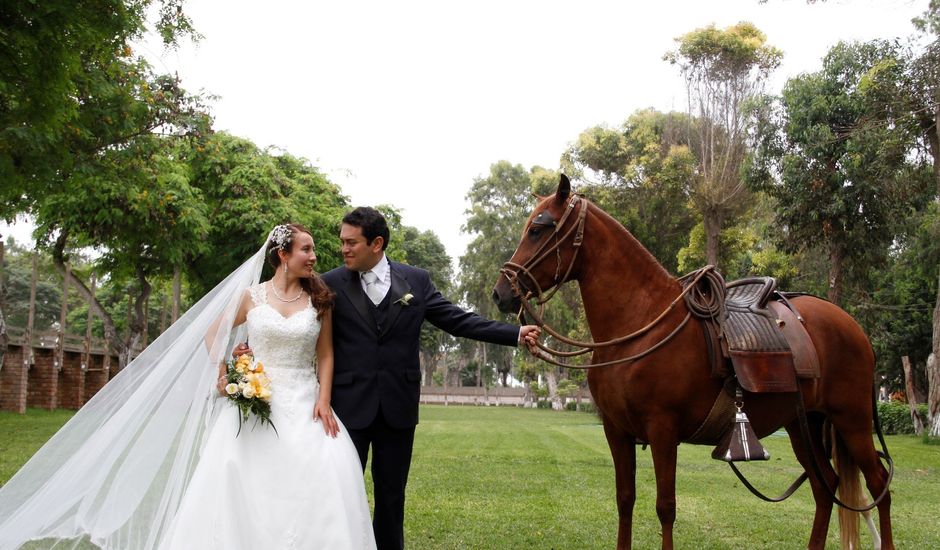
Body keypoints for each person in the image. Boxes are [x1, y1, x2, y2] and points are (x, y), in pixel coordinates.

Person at [0, 224, 376, 550]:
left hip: (306, 399)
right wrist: (228, 371)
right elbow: (213, 334)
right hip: (258, 398)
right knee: (242, 481)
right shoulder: (251, 297)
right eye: (306, 249)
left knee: (317, 479)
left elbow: (325, 355)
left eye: (312, 249)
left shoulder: (319, 299)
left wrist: (324, 399)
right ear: (282, 254)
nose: (314, 256)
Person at [318, 207, 539, 550]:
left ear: (376, 243)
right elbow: (304, 331)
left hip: (398, 407)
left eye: (351, 242)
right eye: (342, 242)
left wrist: (514, 333)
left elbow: (457, 320)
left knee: (392, 499)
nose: (343, 249)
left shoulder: (416, 281)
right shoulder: (329, 283)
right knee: (342, 495)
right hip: (347, 409)